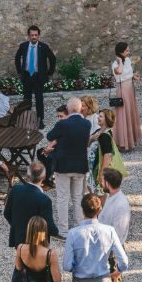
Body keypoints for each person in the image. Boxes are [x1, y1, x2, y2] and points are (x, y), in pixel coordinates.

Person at [5, 161, 60, 282]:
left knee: (19, 270)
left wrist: (17, 228)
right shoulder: (43, 200)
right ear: (43, 177)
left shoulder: (16, 190)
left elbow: (7, 213)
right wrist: (59, 232)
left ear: (28, 175)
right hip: (38, 241)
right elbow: (49, 226)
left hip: (19, 239)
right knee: (42, 272)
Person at [47, 97, 92, 237]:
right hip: (80, 165)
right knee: (78, 197)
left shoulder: (63, 124)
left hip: (63, 166)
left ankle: (64, 230)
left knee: (62, 198)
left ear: (68, 109)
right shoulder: (87, 124)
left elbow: (49, 136)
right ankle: (80, 226)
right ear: (80, 108)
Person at [98, 168, 131, 282]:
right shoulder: (112, 199)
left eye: (102, 180)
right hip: (107, 249)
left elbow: (117, 234)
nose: (100, 183)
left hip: (113, 251)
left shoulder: (120, 205)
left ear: (108, 183)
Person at [13, 25, 57, 126]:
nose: (34, 37)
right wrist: (20, 71)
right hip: (27, 75)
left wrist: (49, 72)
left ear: (38, 36)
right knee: (26, 99)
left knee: (39, 99)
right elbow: (17, 58)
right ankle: (27, 119)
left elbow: (52, 59)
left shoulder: (43, 47)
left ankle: (39, 120)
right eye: (32, 35)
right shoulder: (23, 46)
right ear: (28, 36)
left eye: (35, 35)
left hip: (38, 77)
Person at [110, 42, 142, 151]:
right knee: (123, 114)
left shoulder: (128, 60)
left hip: (130, 88)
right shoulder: (115, 64)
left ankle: (131, 140)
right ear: (121, 52)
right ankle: (122, 141)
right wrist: (120, 61)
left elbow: (129, 74)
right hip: (123, 90)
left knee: (131, 112)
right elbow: (119, 72)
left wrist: (134, 77)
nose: (129, 52)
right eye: (127, 50)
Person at [92, 109, 124, 192]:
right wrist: (91, 138)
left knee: (99, 192)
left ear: (107, 119)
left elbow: (107, 156)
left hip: (98, 167)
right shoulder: (99, 132)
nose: (98, 118)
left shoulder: (104, 136)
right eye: (99, 116)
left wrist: (101, 173)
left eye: (101, 116)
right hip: (94, 165)